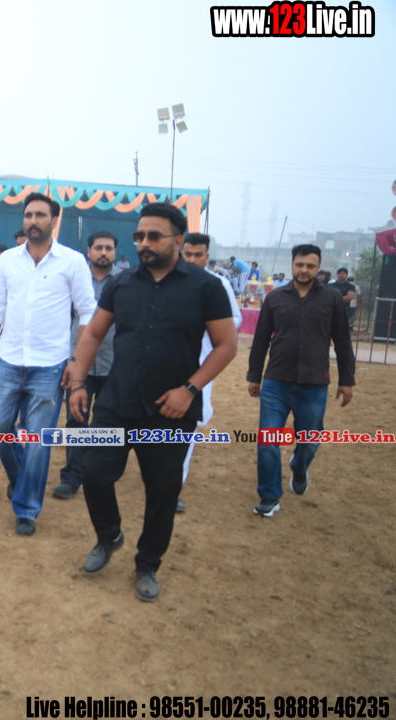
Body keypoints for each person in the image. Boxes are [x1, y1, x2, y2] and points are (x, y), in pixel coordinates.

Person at [68, 202, 237, 602]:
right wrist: (77, 382)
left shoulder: (206, 287)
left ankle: (147, 564)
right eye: (139, 235)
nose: (144, 243)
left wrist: (189, 390)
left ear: (178, 240)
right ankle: (109, 536)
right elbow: (93, 334)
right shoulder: (121, 284)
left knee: (162, 491)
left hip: (170, 410)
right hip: (116, 401)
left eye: (154, 236)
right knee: (93, 471)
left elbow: (226, 346)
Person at [0, 193, 96, 535]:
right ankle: (21, 477)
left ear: (54, 220)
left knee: (38, 440)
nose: (33, 220)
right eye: (28, 214)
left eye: (41, 215)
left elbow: (87, 312)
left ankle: (27, 508)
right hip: (8, 360)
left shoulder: (72, 262)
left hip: (51, 365)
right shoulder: (7, 261)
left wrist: (76, 361)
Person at [247, 244, 354, 518]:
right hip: (276, 381)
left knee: (309, 441)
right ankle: (269, 496)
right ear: (292, 265)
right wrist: (254, 376)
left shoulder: (332, 298)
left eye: (310, 265)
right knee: (268, 440)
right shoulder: (275, 298)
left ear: (318, 268)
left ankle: (299, 466)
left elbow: (343, 341)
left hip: (315, 383)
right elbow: (261, 339)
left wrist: (347, 380)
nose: (304, 270)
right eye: (299, 265)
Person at [52, 230, 120, 500]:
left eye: (109, 248)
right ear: (89, 251)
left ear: (115, 252)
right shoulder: (74, 278)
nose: (103, 253)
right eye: (98, 248)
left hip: (114, 363)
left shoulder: (125, 282)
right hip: (79, 363)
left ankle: (99, 475)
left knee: (108, 421)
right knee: (76, 418)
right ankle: (72, 476)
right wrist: (70, 358)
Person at [178, 233, 242, 512]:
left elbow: (235, 319)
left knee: (187, 426)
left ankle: (174, 485)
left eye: (198, 255)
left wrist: (210, 323)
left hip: (201, 366)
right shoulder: (166, 280)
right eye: (188, 254)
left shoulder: (218, 284)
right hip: (163, 363)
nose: (192, 259)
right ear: (180, 253)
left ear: (207, 257)